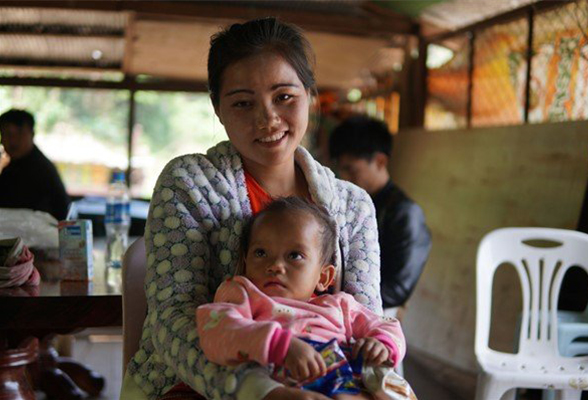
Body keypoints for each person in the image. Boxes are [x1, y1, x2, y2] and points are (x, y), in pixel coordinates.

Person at [121, 18, 384, 400]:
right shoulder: (188, 183)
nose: (267, 119)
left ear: (310, 95)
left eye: (284, 97)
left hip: (327, 383)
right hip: (197, 384)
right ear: (217, 108)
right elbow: (172, 320)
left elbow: (368, 323)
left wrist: (376, 384)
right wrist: (259, 390)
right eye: (243, 103)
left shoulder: (353, 206)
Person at [197, 197, 412, 400]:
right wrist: (279, 345)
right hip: (280, 380)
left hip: (344, 375)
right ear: (245, 261)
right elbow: (217, 329)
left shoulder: (340, 305)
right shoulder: (242, 292)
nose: (274, 266)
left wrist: (381, 344)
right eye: (261, 252)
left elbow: (386, 324)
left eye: (294, 256)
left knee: (389, 385)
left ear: (323, 277)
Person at [329, 116, 431, 315]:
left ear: (380, 161)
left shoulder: (404, 213)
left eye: (351, 169)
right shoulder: (346, 204)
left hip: (377, 312)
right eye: (340, 170)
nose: (343, 178)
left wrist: (342, 297)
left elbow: (399, 289)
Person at [0, 109, 70, 221]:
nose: (12, 140)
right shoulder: (12, 167)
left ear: (32, 134)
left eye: (19, 133)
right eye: (7, 134)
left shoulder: (41, 169)